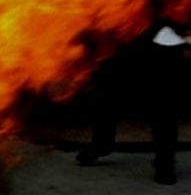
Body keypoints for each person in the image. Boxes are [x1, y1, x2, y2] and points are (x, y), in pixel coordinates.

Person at [76, 23, 187, 185]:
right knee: (109, 95)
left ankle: (165, 162)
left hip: (166, 44)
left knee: (164, 107)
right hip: (128, 37)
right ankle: (101, 144)